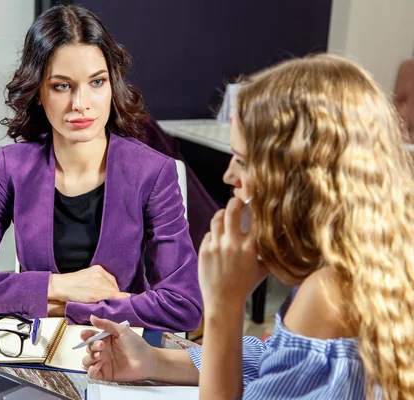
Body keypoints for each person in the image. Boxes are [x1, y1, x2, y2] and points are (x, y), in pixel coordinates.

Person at [81, 55, 414, 399]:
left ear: (293, 178)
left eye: (241, 160)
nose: (229, 176)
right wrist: (152, 360)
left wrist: (225, 306)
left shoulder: (325, 295)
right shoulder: (369, 260)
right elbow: (274, 360)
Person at [0, 5, 202, 332]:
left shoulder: (152, 172)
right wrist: (57, 286)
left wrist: (64, 308)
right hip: (36, 349)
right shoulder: (11, 167)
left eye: (96, 82)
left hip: (124, 348)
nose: (80, 103)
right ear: (38, 92)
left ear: (112, 84)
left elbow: (183, 306)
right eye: (61, 86)